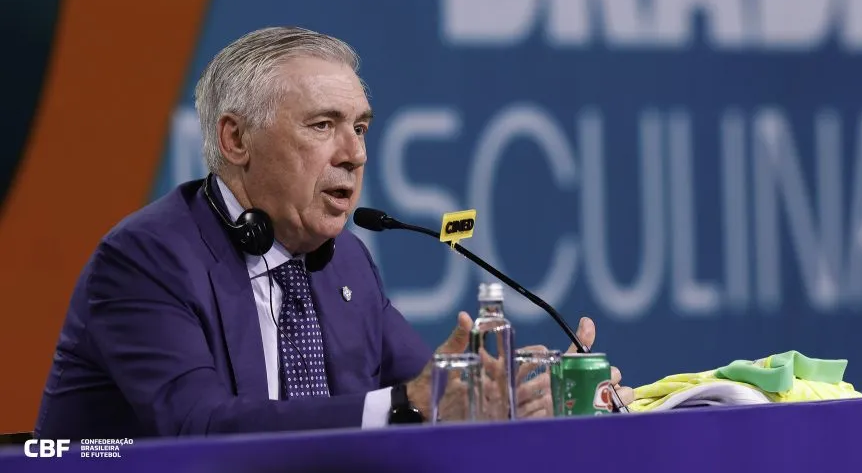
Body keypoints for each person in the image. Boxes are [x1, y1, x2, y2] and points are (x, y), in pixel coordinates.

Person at [34, 27, 634, 438]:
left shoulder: (345, 264)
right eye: (323, 125)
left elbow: (430, 394)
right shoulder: (147, 259)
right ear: (235, 140)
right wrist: (413, 403)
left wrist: (514, 393)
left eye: (362, 128)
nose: (355, 154)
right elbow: (203, 431)